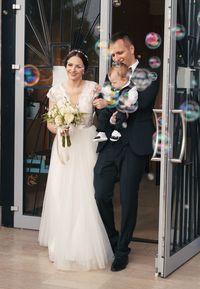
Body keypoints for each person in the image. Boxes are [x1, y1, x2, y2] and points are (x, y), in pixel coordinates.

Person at [38, 50, 113, 271]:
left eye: (78, 66)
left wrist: (105, 103)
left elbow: (103, 114)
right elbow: (50, 122)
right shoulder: (55, 91)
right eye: (70, 65)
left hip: (86, 144)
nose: (73, 70)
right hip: (64, 146)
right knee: (61, 192)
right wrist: (59, 128)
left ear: (85, 69)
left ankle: (85, 246)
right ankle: (60, 244)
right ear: (65, 67)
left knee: (86, 192)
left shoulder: (93, 88)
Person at [93, 32, 159, 272]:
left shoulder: (148, 74)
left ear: (131, 49)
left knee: (129, 197)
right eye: (113, 55)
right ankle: (113, 239)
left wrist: (112, 104)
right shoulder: (112, 75)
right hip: (111, 142)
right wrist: (102, 114)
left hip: (135, 144)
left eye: (119, 52)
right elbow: (105, 103)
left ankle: (122, 250)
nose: (116, 58)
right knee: (100, 193)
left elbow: (141, 103)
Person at [93, 63, 138, 142]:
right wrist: (101, 90)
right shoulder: (115, 88)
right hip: (113, 108)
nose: (112, 85)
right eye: (111, 83)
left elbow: (133, 98)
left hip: (122, 109)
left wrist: (129, 101)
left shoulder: (131, 88)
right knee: (104, 113)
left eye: (114, 82)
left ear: (124, 80)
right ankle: (101, 132)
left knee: (121, 115)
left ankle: (117, 131)